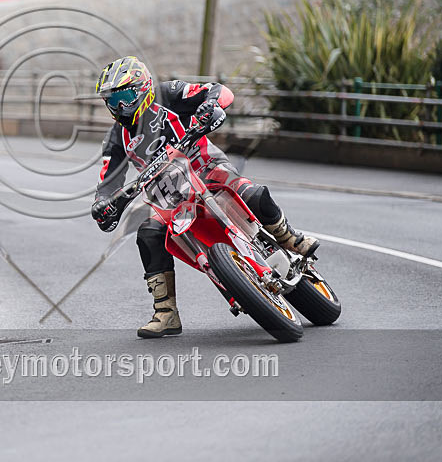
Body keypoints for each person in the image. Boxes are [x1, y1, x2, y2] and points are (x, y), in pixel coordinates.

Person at [90, 56, 319, 338]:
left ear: (143, 87)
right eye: (111, 101)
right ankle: (165, 313)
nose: (119, 107)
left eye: (124, 96)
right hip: (168, 196)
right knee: (147, 232)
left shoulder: (169, 93)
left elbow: (219, 91)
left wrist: (211, 106)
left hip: (206, 166)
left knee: (253, 194)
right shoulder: (115, 138)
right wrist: (103, 203)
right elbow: (106, 181)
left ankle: (289, 237)